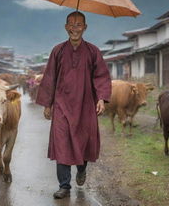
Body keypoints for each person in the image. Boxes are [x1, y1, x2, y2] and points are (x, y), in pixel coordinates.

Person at [36, 11, 112, 199]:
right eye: (71, 24)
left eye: (79, 25)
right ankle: (64, 186)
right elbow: (50, 77)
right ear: (65, 27)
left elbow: (101, 76)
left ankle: (81, 169)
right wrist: (48, 104)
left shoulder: (93, 51)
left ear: (85, 28)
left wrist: (101, 98)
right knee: (61, 142)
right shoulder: (58, 50)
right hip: (62, 105)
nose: (74, 28)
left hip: (86, 105)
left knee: (84, 141)